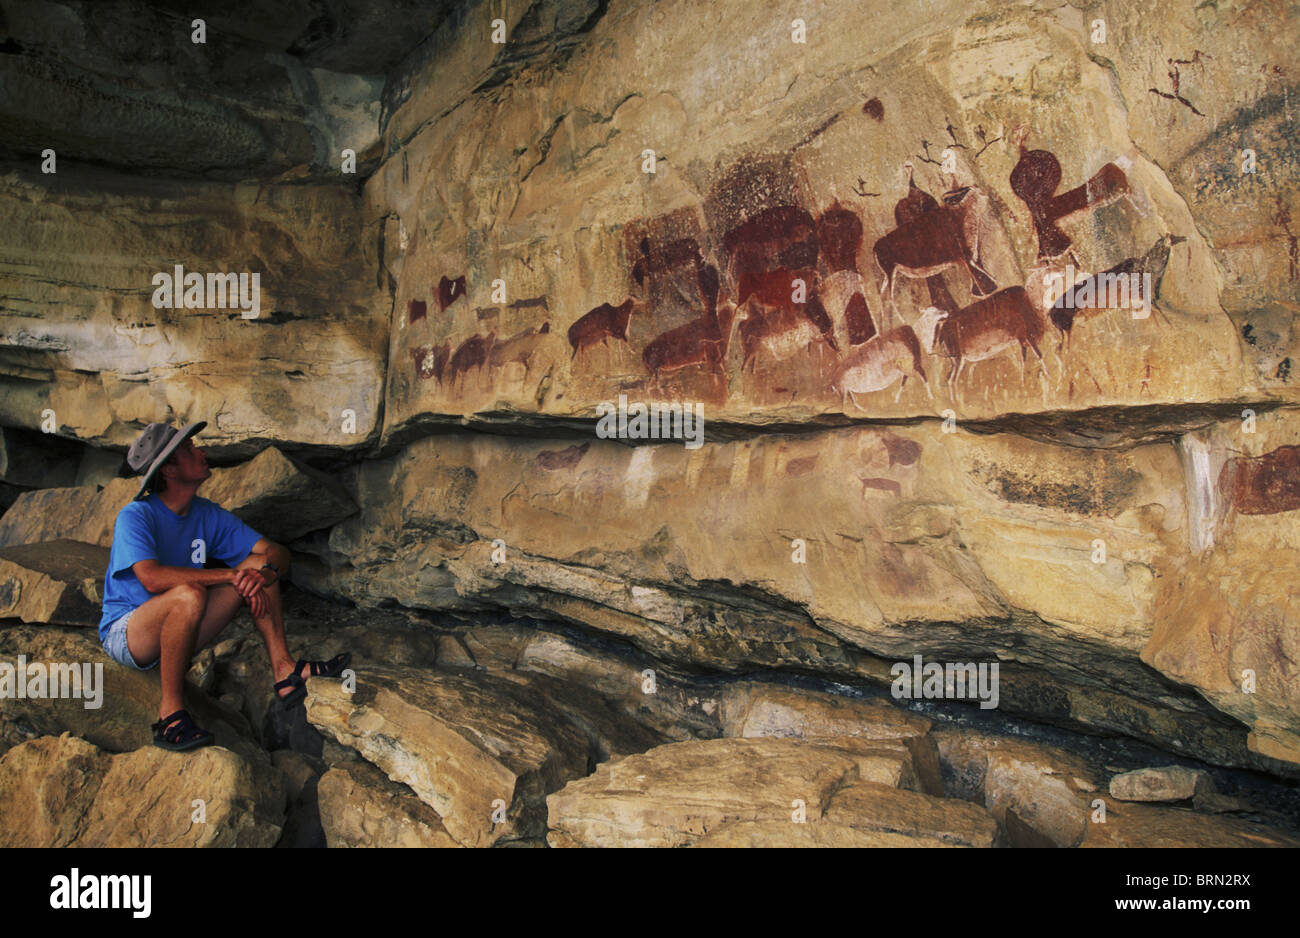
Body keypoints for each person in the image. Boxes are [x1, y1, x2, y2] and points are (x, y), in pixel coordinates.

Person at [98, 420, 349, 751]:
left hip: (182, 630)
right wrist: (229, 576)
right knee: (189, 594)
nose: (201, 452)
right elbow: (152, 577)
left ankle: (284, 670)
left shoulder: (206, 514)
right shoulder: (136, 515)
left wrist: (264, 575)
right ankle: (170, 713)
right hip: (129, 633)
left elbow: (275, 552)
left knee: (257, 566)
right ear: (169, 469)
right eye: (189, 449)